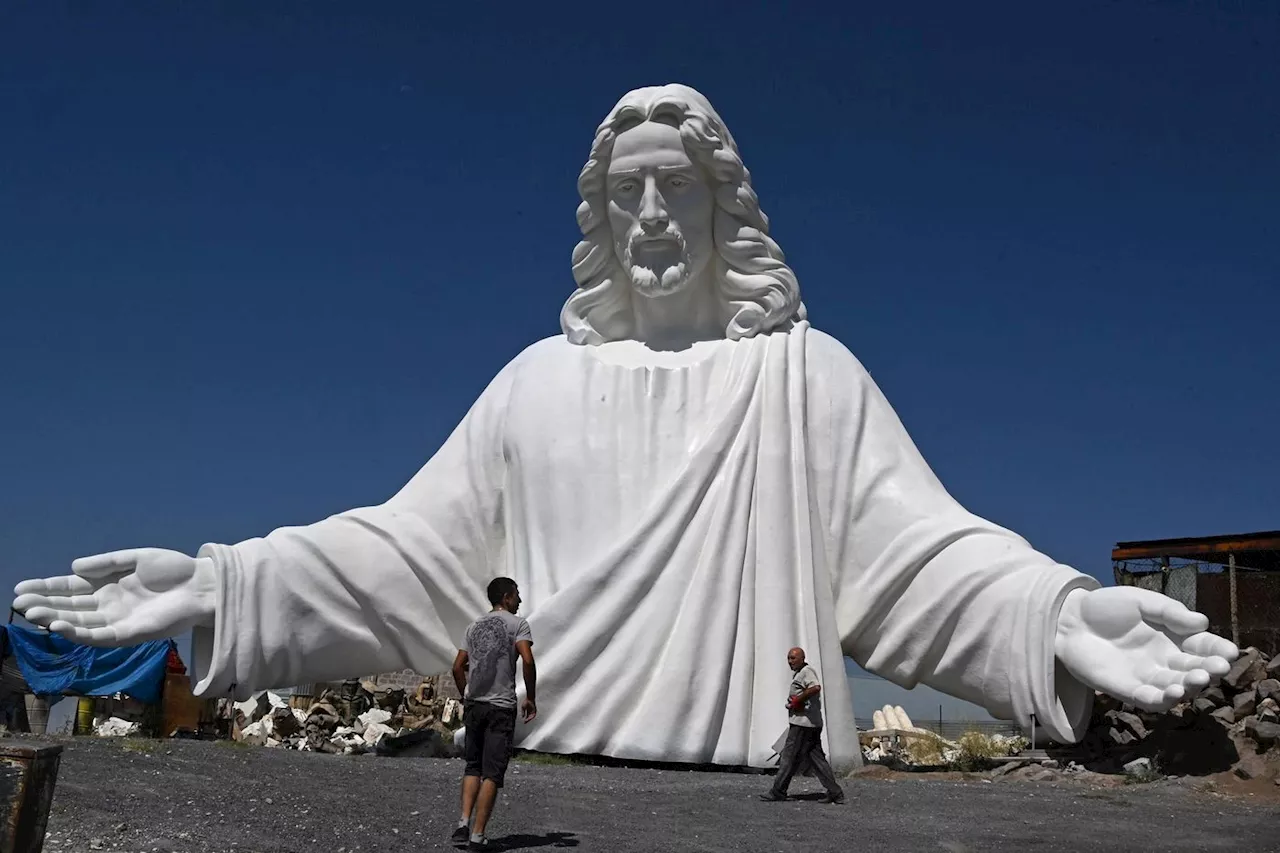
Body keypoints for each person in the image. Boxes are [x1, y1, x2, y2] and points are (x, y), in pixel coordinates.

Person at [13, 83, 1236, 774]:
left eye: (678, 187)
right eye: (623, 190)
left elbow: (913, 559)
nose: (650, 214)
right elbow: (405, 560)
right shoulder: (536, 383)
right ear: (599, 215)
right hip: (553, 773)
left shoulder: (804, 377)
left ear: (722, 206)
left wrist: (1059, 612)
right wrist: (221, 585)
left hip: (756, 773)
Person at [450, 577, 536, 850]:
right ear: (508, 597)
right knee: (493, 773)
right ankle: (478, 836)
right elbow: (528, 659)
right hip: (500, 706)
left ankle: (463, 824)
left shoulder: (473, 626)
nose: (520, 601)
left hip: (475, 704)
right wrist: (531, 697)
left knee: (472, 766)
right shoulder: (518, 624)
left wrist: (467, 694)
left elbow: (457, 667)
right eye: (517, 595)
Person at [760, 647, 844, 804]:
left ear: (802, 658)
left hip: (803, 724)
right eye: (788, 658)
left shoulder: (807, 671)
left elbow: (815, 687)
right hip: (810, 724)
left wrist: (798, 700)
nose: (790, 661)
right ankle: (835, 792)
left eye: (793, 658)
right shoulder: (800, 673)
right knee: (816, 758)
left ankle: (778, 791)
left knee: (789, 757)